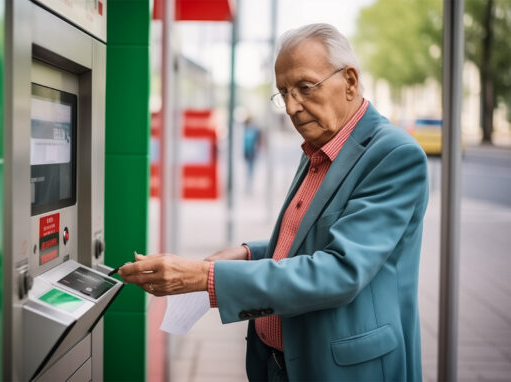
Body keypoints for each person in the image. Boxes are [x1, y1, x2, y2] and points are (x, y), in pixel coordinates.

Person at [120, 23, 428, 381]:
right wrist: (249, 253)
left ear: (350, 81)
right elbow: (313, 238)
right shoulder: (320, 143)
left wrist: (205, 277)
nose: (293, 107)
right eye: (283, 92)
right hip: (280, 361)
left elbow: (341, 270)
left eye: (305, 87)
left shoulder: (394, 154)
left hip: (344, 368)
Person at [242, 116, 263, 193]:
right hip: (247, 152)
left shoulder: (254, 130)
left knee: (251, 169)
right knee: (248, 169)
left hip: (252, 152)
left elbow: (258, 140)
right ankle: (248, 184)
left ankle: (249, 185)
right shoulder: (245, 129)